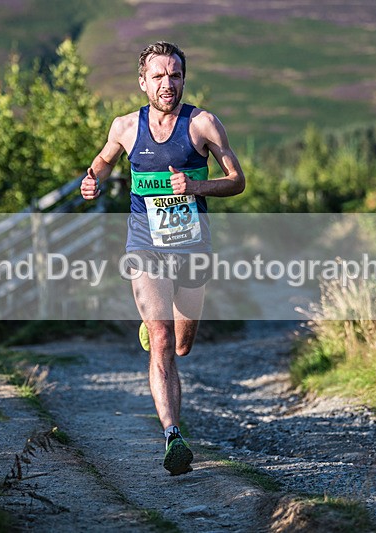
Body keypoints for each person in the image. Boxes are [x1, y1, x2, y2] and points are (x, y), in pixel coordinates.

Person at [81, 41, 245, 475]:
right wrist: (92, 179)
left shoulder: (203, 124)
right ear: (142, 82)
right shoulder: (125, 126)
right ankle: (173, 436)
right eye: (158, 76)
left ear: (183, 79)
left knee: (184, 343)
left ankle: (160, 333)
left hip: (192, 245)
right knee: (163, 340)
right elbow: (103, 160)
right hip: (145, 244)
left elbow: (236, 180)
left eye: (174, 75)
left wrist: (196, 188)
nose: (167, 83)